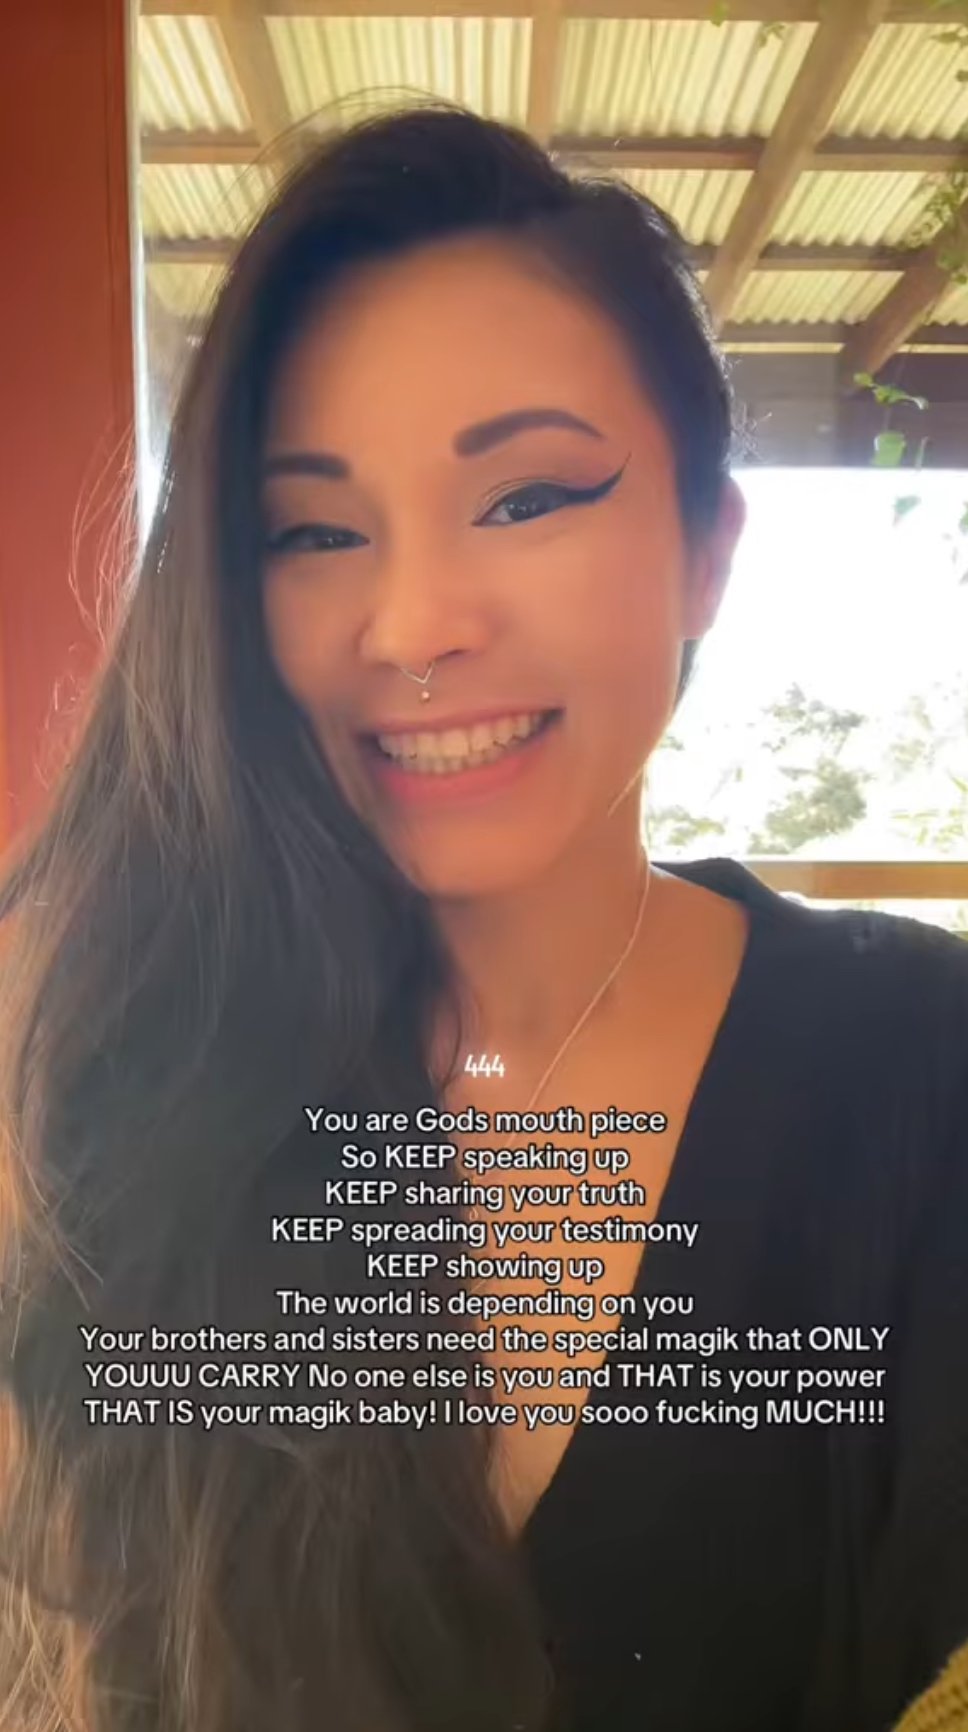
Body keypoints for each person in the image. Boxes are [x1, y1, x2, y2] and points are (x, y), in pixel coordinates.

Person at [0, 99, 966, 1732]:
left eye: (525, 498)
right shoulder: (102, 1062)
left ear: (708, 549)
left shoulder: (924, 1071)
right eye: (315, 530)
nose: (414, 625)